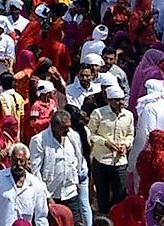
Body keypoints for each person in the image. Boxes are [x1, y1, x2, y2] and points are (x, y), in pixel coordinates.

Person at [29, 110, 87, 226]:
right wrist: (46, 196)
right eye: (64, 128)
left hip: (71, 193)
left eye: (69, 127)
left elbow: (77, 159)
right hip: (51, 195)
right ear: (54, 126)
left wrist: (76, 181)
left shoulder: (73, 136)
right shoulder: (39, 140)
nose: (67, 130)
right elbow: (36, 172)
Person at [87, 85, 133, 215]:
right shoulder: (99, 114)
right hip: (101, 161)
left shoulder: (128, 115)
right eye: (117, 100)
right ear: (109, 100)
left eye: (122, 99)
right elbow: (90, 133)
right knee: (102, 196)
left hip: (120, 162)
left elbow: (130, 134)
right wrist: (105, 142)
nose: (121, 103)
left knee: (120, 196)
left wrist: (125, 144)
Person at [0, 143, 48, 226]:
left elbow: (41, 216)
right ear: (10, 160)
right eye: (15, 161)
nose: (18, 164)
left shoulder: (36, 184)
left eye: (21, 161)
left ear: (27, 161)